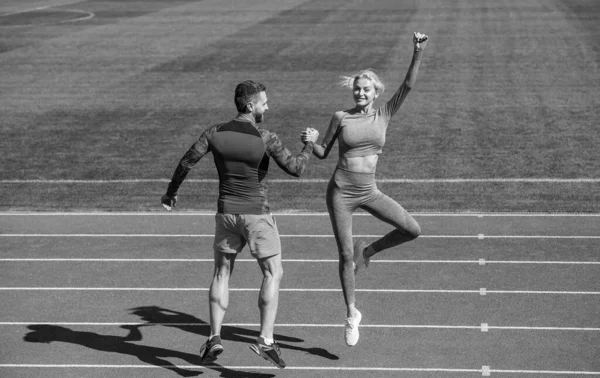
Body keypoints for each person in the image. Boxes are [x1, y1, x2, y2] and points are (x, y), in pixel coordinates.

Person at [161, 80, 318, 369]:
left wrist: (171, 193)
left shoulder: (214, 133)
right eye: (264, 102)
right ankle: (266, 340)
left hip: (226, 215)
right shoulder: (265, 137)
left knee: (221, 274)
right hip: (256, 214)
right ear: (250, 105)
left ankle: (214, 338)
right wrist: (309, 143)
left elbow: (187, 162)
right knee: (273, 273)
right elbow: (296, 168)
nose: (267, 106)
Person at [301, 32, 429, 347]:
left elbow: (408, 86)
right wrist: (310, 141)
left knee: (412, 229)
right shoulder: (340, 117)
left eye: (366, 89)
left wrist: (417, 51)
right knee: (344, 254)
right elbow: (323, 152)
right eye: (357, 88)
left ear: (375, 93)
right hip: (341, 193)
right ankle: (351, 315)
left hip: (369, 191)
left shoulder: (384, 114)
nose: (360, 92)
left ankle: (368, 252)